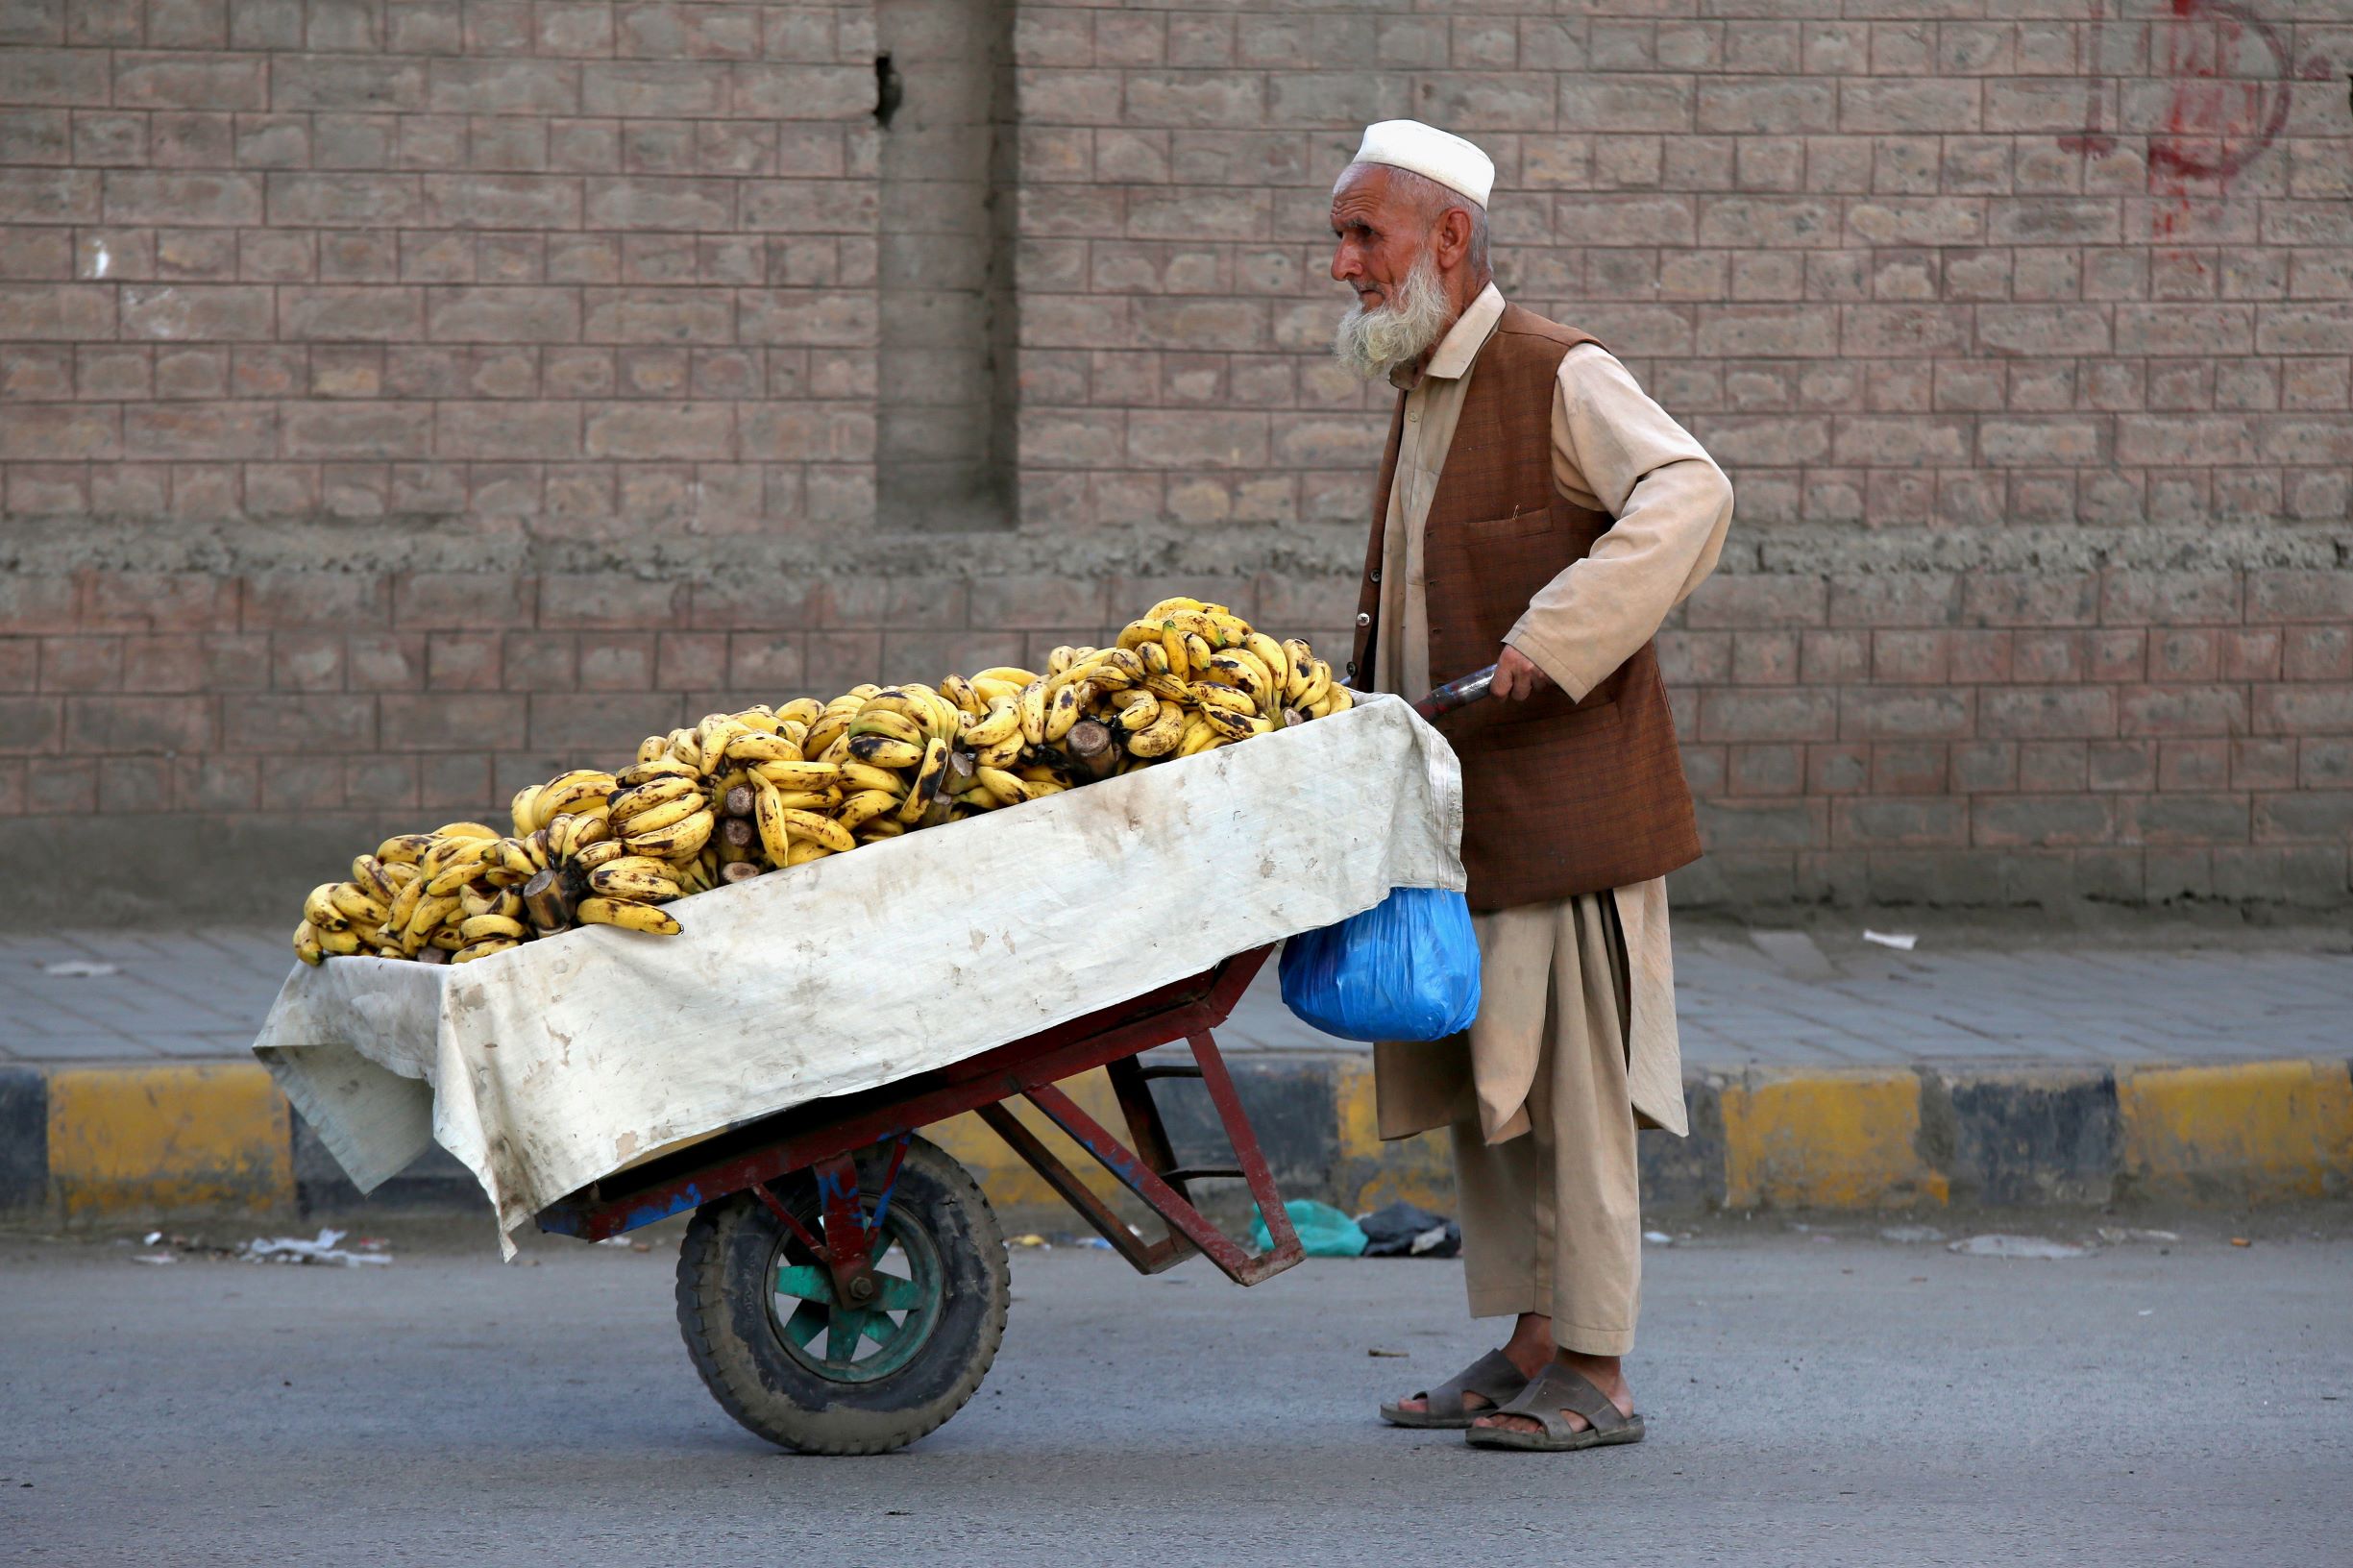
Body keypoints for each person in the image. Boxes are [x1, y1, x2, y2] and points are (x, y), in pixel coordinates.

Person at [1331, 120, 1734, 1453]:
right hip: (1462, 826)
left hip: (1564, 822)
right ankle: (1526, 1344)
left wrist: (1550, 641)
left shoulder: (1558, 371)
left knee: (1571, 1103)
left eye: (1362, 237)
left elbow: (1688, 490)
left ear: (1447, 238)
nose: (1342, 266)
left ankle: (1600, 1372)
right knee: (1484, 1096)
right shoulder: (1425, 380)